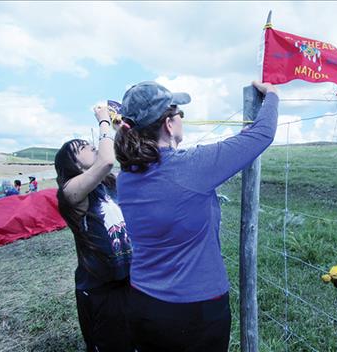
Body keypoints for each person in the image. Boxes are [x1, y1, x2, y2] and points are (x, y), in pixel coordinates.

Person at [114, 80, 279, 351]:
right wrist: (272, 94)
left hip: (143, 303)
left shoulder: (126, 178)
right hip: (196, 312)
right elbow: (263, 134)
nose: (182, 119)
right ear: (168, 123)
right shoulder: (192, 168)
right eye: (180, 113)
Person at [54, 105, 133, 352]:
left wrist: (121, 131)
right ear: (74, 164)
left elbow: (128, 165)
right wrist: (103, 121)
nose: (92, 146)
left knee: (134, 339)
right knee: (109, 344)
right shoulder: (70, 192)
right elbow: (107, 160)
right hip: (100, 287)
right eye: (83, 148)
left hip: (129, 277)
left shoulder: (108, 183)